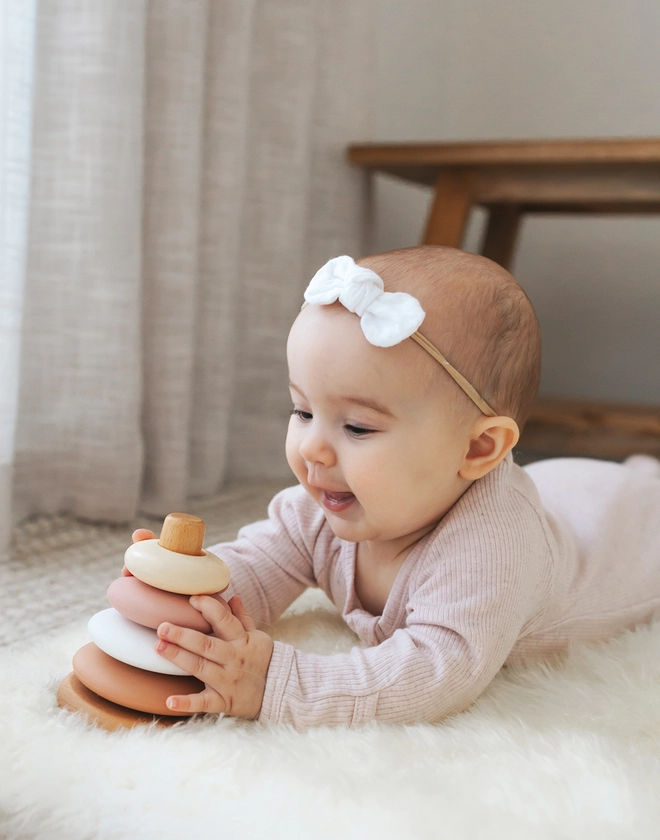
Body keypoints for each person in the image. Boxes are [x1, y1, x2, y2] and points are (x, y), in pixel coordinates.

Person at [128, 246, 660, 730]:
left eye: (357, 427)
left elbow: (435, 672)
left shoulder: (492, 550)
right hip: (563, 488)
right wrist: (194, 596)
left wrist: (277, 683)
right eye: (302, 410)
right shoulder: (329, 504)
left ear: (477, 451)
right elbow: (263, 558)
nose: (313, 447)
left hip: (626, 527)